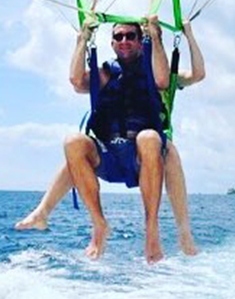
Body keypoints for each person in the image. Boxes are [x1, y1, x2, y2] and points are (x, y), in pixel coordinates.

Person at [14, 22, 205, 258]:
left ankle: (157, 232)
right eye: (119, 36)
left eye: (131, 36)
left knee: (152, 139)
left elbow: (185, 77)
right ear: (112, 42)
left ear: (140, 40)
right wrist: (82, 40)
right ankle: (97, 224)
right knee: (73, 141)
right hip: (108, 156)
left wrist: (178, 36)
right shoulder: (106, 73)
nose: (124, 40)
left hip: (144, 157)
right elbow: (76, 81)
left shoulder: (157, 70)